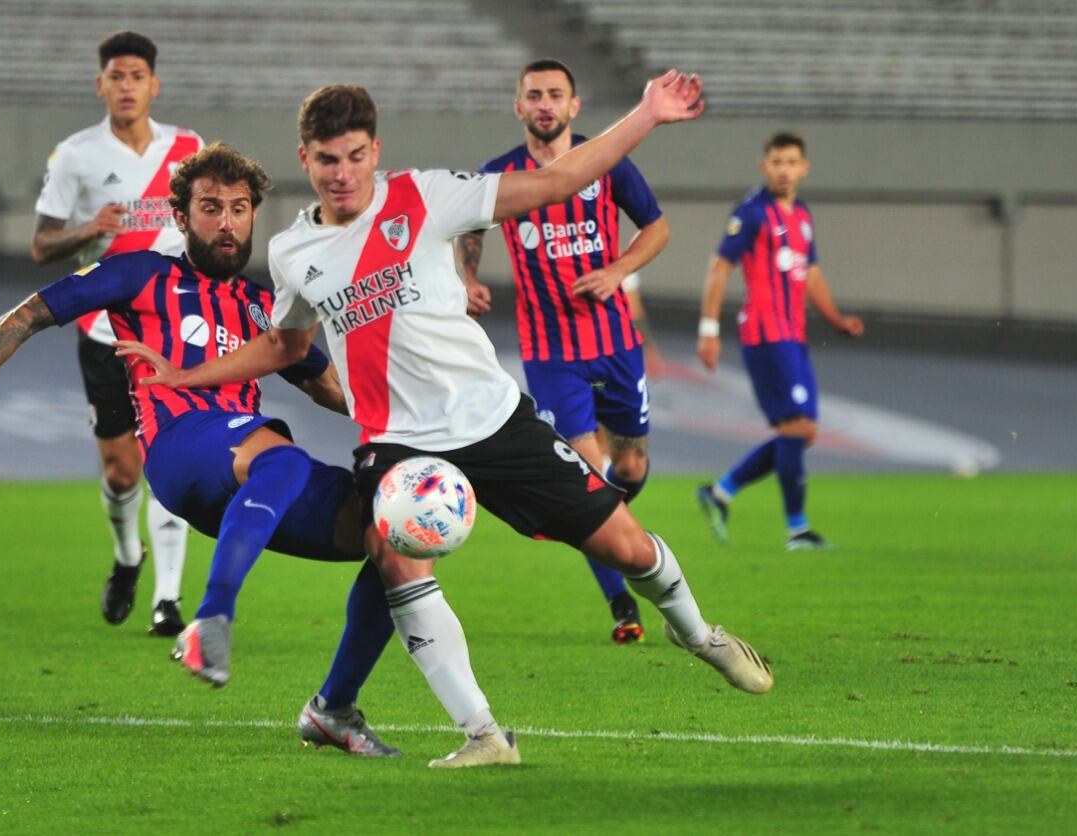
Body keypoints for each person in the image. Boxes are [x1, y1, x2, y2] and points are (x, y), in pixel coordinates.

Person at [118, 71, 774, 770]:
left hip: (490, 419)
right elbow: (286, 345)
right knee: (395, 558)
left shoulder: (427, 196)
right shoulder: (292, 252)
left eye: (356, 155)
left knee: (629, 549)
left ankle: (700, 635)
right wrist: (187, 376)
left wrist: (645, 112)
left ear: (376, 151)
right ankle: (485, 733)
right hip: (395, 443)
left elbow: (555, 184)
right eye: (327, 159)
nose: (343, 174)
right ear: (305, 158)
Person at [0, 142, 401, 758]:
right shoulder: (141, 273)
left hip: (247, 470)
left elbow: (334, 389)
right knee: (282, 453)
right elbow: (29, 314)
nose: (227, 222)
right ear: (181, 217)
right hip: (180, 448)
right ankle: (210, 619)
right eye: (210, 207)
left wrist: (414, 424)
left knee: (395, 536)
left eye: (240, 208)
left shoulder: (262, 306)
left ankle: (333, 708)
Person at [454, 59, 671, 646]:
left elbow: (656, 227)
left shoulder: (609, 164)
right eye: (534, 95)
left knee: (629, 469)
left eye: (556, 94)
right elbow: (468, 228)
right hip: (552, 356)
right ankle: (622, 603)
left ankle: (604, 524)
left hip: (616, 343)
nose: (545, 103)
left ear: (574, 107)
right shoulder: (499, 175)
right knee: (591, 478)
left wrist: (618, 271)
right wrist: (467, 278)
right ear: (518, 107)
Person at [30, 32, 201, 636]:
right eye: (115, 75)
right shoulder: (75, 155)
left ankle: (169, 599)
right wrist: (87, 230)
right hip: (106, 331)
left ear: (154, 84)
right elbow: (41, 244)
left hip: (174, 329)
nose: (126, 86)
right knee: (121, 471)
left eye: (137, 75)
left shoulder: (189, 149)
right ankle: (129, 556)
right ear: (100, 84)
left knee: (170, 456)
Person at [693, 132, 864, 550]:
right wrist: (709, 330)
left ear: (804, 168)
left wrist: (836, 318)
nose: (784, 170)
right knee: (798, 426)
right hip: (766, 334)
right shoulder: (752, 213)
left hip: (793, 334)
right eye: (776, 162)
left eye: (791, 162)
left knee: (801, 431)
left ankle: (720, 492)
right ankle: (797, 529)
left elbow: (812, 274)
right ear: (763, 166)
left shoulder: (802, 215)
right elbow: (719, 268)